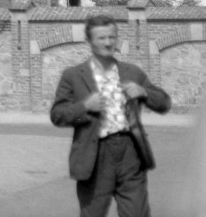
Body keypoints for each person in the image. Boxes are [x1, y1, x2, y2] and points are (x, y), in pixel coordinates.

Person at [50, 13, 171, 217]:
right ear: (88, 41)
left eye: (112, 37)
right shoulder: (73, 76)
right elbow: (58, 115)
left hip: (130, 152)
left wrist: (145, 92)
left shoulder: (132, 72)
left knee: (137, 213)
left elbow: (164, 103)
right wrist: (84, 107)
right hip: (95, 154)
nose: (108, 43)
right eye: (102, 38)